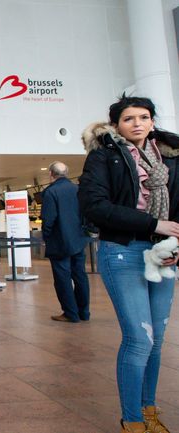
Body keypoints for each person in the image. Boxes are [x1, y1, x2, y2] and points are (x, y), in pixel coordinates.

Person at [79, 95, 179, 433]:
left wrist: (175, 241)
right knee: (140, 338)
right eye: (128, 118)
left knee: (158, 337)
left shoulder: (170, 157)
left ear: (152, 121)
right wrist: (153, 225)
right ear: (116, 124)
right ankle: (132, 421)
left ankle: (149, 411)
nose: (137, 123)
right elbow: (94, 206)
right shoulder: (104, 156)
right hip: (122, 251)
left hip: (164, 252)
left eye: (144, 117)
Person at [41, 161, 90, 323]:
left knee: (63, 278)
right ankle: (84, 312)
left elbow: (49, 219)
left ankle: (70, 313)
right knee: (80, 276)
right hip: (78, 240)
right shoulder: (78, 190)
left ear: (51, 174)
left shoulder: (50, 192)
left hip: (59, 242)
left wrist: (46, 237)